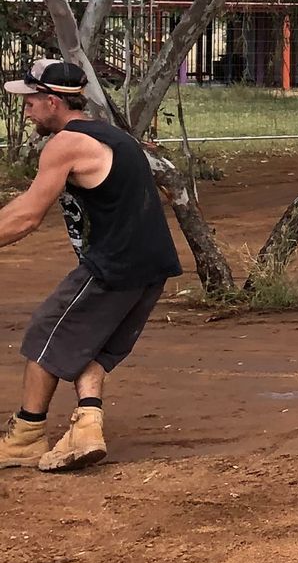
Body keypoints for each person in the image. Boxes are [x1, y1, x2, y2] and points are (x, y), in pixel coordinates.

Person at [0, 57, 180, 475]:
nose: (26, 111)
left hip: (113, 265)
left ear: (53, 102)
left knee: (44, 335)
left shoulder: (67, 143)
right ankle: (87, 425)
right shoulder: (114, 137)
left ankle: (26, 435)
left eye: (31, 102)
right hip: (151, 265)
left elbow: (28, 214)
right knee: (90, 345)